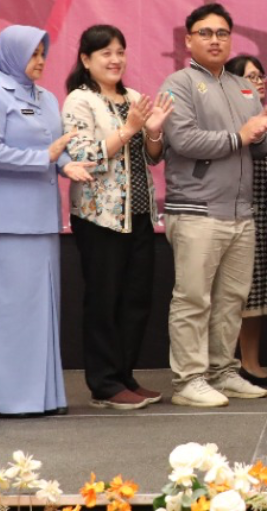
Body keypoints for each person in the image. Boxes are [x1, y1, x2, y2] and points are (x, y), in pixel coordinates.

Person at [0, 25, 94, 417]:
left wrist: (66, 165)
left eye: (43, 53)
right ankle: (8, 399)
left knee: (40, 310)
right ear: (12, 55)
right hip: (6, 220)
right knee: (9, 312)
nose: (40, 61)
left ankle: (43, 396)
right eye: (33, 54)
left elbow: (53, 147)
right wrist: (46, 157)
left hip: (42, 217)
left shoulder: (45, 97)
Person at [158, 4, 267, 407]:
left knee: (231, 300)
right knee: (193, 299)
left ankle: (222, 371)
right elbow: (184, 140)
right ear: (188, 40)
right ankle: (188, 379)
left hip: (241, 211)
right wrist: (241, 136)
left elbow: (260, 146)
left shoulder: (243, 87)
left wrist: (261, 134)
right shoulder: (178, 84)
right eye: (205, 33)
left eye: (222, 33)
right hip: (197, 209)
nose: (214, 40)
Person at [63, 24, 173, 410]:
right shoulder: (80, 100)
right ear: (86, 59)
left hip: (139, 213)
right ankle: (104, 384)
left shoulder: (135, 98)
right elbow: (84, 155)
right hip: (100, 217)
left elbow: (153, 156)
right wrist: (129, 129)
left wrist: (153, 132)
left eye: (120, 52)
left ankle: (125, 376)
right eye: (106, 53)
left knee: (136, 299)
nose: (115, 60)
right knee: (104, 300)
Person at [227, 54, 267, 388]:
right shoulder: (232, 119)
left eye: (262, 76)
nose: (260, 82)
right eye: (251, 77)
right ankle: (227, 362)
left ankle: (251, 362)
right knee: (236, 292)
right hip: (238, 211)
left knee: (259, 292)